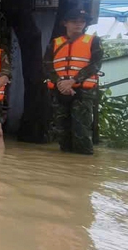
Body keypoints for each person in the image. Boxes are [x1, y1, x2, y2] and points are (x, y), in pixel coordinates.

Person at [44, 8, 103, 155]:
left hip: (83, 91)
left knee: (81, 129)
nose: (78, 24)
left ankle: (83, 166)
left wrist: (73, 81)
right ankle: (67, 165)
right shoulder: (55, 43)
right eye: (74, 21)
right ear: (65, 23)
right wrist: (60, 82)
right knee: (62, 130)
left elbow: (95, 65)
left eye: (82, 21)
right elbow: (47, 64)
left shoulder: (93, 41)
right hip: (60, 90)